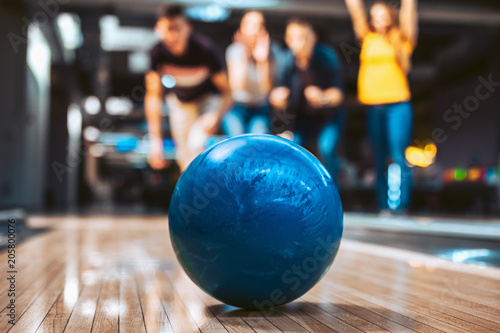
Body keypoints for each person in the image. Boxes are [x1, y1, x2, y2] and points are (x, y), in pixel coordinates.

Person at [345, 0, 418, 212]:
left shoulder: (401, 39)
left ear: (390, 16)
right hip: (373, 106)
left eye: (383, 14)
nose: (379, 19)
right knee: (377, 158)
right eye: (375, 15)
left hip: (398, 105)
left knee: (397, 156)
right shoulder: (368, 39)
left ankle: (400, 206)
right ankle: (383, 206)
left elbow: (409, 15)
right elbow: (356, 13)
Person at [145, 5, 232, 172]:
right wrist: (155, 143)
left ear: (188, 28)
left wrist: (216, 115)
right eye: (168, 29)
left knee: (195, 144)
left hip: (208, 101)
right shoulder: (157, 55)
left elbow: (228, 92)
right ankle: (191, 195)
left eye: (177, 28)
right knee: (184, 159)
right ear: (158, 29)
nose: (173, 35)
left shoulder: (205, 50)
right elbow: (153, 97)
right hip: (180, 103)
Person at [270, 18, 344, 181]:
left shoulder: (326, 57)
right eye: (292, 37)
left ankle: (333, 193)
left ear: (312, 38)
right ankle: (299, 191)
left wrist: (323, 98)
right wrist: (278, 99)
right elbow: (276, 96)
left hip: (327, 118)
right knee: (291, 147)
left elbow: (338, 94)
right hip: (300, 121)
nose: (297, 43)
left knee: (327, 148)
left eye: (301, 37)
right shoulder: (285, 61)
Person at [223, 11, 276, 136]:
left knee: (258, 137)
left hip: (260, 109)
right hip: (237, 107)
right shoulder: (234, 51)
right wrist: (245, 57)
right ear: (242, 29)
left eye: (259, 25)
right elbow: (237, 86)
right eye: (250, 25)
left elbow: (266, 89)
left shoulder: (272, 53)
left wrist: (262, 62)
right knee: (236, 139)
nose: (255, 30)